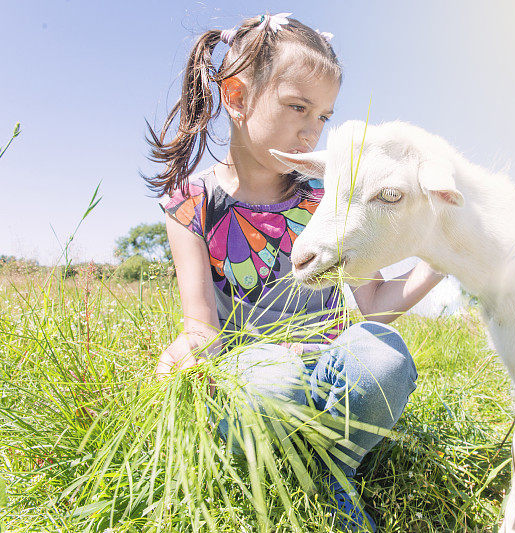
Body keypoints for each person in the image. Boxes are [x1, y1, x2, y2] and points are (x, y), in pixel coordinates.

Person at [144, 12, 444, 532]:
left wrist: (440, 257)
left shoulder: (327, 196)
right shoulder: (191, 205)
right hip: (254, 383)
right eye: (298, 107)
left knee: (382, 355)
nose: (312, 132)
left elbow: (372, 303)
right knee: (275, 381)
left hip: (332, 373)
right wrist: (177, 362)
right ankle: (289, 470)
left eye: (324, 116)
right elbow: (201, 330)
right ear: (236, 98)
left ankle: (333, 467)